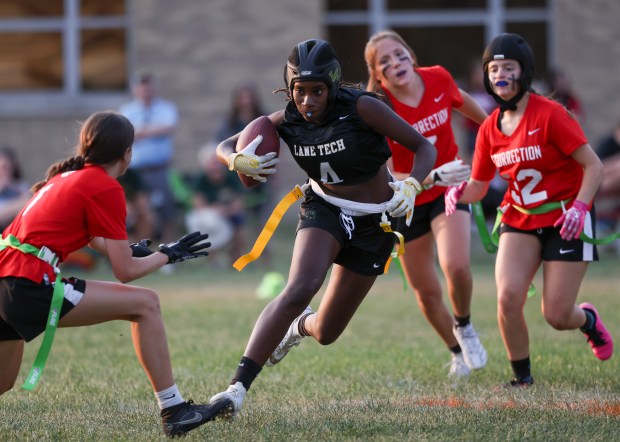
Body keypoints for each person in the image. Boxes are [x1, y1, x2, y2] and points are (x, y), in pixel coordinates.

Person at [207, 39, 436, 418]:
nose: (308, 101)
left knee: (327, 332)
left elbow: (423, 146)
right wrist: (235, 160)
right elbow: (225, 145)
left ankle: (298, 328)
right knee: (299, 287)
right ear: (289, 87)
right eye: (300, 91)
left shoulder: (363, 107)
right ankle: (235, 390)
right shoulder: (287, 119)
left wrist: (413, 183)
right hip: (325, 208)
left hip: (375, 220)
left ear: (333, 86)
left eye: (317, 91)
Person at [0, 111, 230, 437]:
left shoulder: (66, 177)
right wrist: (167, 254)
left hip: (5, 279)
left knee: (3, 381)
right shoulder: (105, 187)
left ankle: (175, 410)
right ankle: (175, 409)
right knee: (146, 304)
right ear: (127, 154)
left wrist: (133, 250)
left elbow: (91, 238)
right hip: (28, 284)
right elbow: (125, 272)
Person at [444, 33, 613, 388]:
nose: (500, 74)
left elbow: (594, 166)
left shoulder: (551, 113)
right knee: (507, 298)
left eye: (508, 67)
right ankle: (522, 378)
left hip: (566, 218)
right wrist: (457, 192)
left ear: (525, 72)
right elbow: (478, 186)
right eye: (493, 68)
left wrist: (581, 208)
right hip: (520, 217)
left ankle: (587, 320)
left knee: (556, 314)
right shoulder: (490, 126)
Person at [364, 29, 488, 379]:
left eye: (399, 54)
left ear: (411, 56)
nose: (395, 63)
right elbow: (388, 176)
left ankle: (463, 324)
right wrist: (430, 177)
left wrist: (500, 132)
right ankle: (456, 353)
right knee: (426, 291)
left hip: (449, 192)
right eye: (384, 61)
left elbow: (468, 106)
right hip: (409, 200)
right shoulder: (378, 107)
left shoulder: (437, 78)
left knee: (457, 266)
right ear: (377, 74)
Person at [119, 70, 180, 247]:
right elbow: (126, 134)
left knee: (167, 210)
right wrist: (153, 130)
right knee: (138, 212)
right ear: (135, 90)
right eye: (141, 88)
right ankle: (140, 251)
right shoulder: (127, 110)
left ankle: (169, 251)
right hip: (135, 171)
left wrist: (139, 131)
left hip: (159, 170)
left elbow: (167, 128)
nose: (146, 92)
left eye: (148, 88)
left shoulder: (166, 108)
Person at [187, 145, 246, 265]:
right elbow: (198, 204)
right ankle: (214, 261)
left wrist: (225, 210)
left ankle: (236, 261)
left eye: (217, 162)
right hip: (210, 217)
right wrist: (214, 210)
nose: (215, 166)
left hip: (229, 214)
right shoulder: (201, 179)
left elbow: (239, 203)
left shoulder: (231, 177)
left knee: (238, 224)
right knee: (208, 225)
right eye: (212, 163)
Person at [0, 147, 31, 231]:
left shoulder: (19, 185)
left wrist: (12, 186)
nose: (6, 171)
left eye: (9, 167)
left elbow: (28, 202)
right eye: (4, 167)